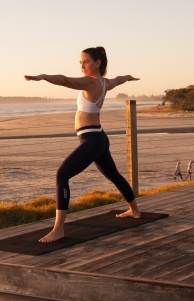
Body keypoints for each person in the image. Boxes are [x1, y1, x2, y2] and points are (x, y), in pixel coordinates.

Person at [25, 46, 142, 243]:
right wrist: (129, 77)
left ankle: (58, 229)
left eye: (85, 61)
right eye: (80, 62)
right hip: (99, 137)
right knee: (114, 175)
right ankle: (135, 211)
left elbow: (64, 80)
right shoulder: (105, 83)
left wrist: (43, 76)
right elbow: (120, 78)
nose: (82, 66)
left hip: (92, 140)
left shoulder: (90, 82)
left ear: (97, 63)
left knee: (62, 175)